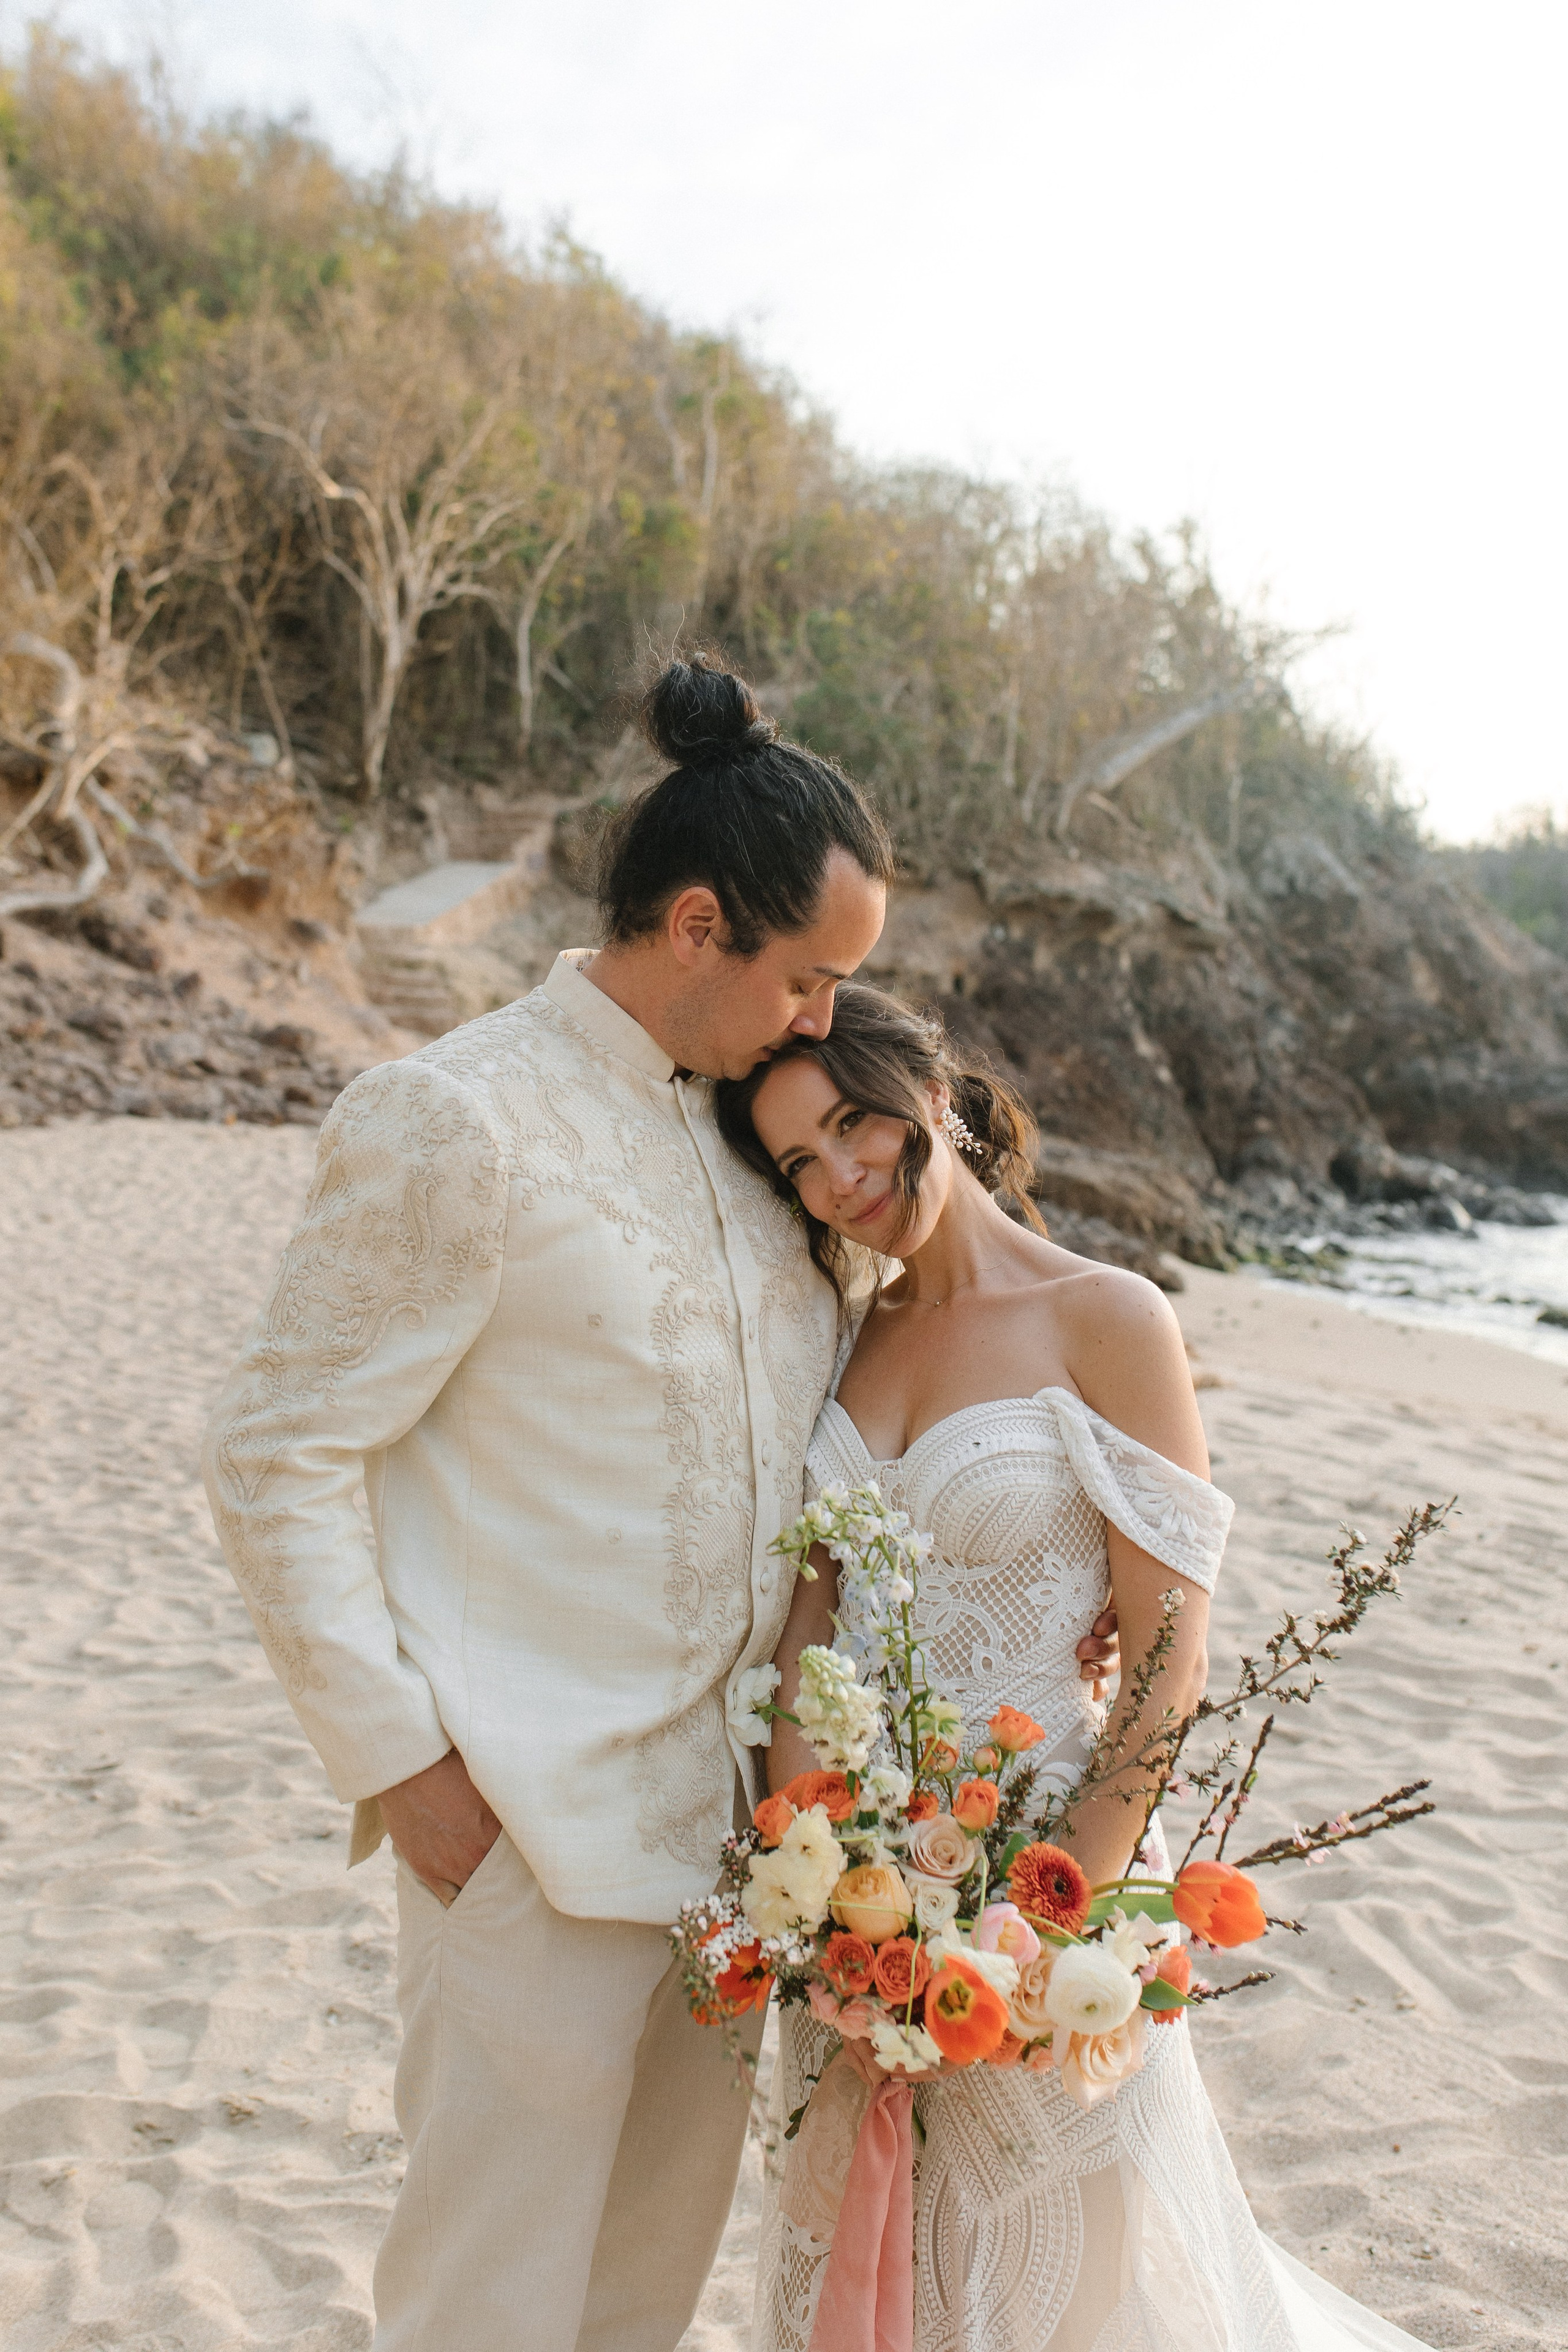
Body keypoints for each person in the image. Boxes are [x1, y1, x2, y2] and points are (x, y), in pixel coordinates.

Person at [200, 654, 1119, 2352]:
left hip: (745, 1873)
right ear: (699, 926)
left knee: (639, 2309)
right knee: (482, 2313)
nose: (824, 1017)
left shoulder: (767, 1147)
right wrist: (408, 1775)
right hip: (522, 1843)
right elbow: (274, 1451)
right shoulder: (454, 1117)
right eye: (810, 975)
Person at [715, 982, 1429, 2352]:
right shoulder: (838, 1336)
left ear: (934, 1098)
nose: (837, 1178)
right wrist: (815, 1895)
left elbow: (1166, 1664)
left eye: (853, 1126)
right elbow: (809, 1637)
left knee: (1068, 2281)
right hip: (856, 1896)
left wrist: (1035, 1930)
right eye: (798, 1161)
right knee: (871, 2262)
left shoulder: (1108, 1318)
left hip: (1052, 1880)